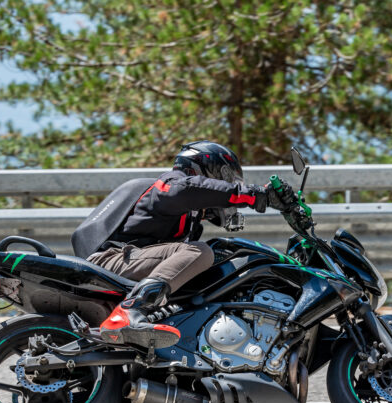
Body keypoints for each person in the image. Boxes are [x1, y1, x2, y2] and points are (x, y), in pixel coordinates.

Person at [71, 140, 294, 349]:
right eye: (226, 177)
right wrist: (255, 195)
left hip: (131, 263)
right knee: (200, 252)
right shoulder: (171, 184)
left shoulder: (188, 218)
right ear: (208, 168)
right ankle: (130, 312)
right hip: (113, 260)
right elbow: (189, 190)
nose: (227, 184)